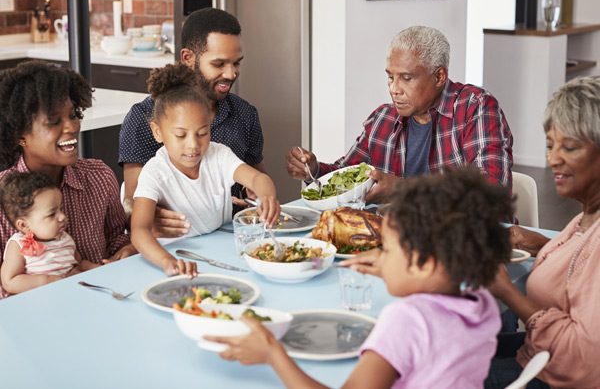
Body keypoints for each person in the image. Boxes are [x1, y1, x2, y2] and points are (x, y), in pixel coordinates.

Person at [206, 166, 514, 388]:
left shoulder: (407, 320)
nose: (380, 255)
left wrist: (273, 355)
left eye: (388, 250)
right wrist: (395, 268)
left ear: (423, 264)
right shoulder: (481, 303)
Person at [286, 25, 513, 204]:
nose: (394, 88)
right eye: (390, 76)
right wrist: (313, 170)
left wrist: (403, 190)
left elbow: (491, 192)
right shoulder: (382, 120)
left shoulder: (475, 108)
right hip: (400, 243)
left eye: (406, 78)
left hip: (469, 244)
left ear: (439, 76)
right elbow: (346, 175)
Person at [485, 76, 600, 388]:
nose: (552, 159)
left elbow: (583, 358)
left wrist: (506, 290)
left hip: (552, 376)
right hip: (536, 352)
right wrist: (549, 245)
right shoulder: (587, 218)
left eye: (570, 147)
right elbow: (586, 269)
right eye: (550, 145)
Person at [119, 7, 265, 238]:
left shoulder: (245, 114)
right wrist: (142, 218)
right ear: (188, 58)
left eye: (236, 63)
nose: (231, 74)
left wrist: (255, 200)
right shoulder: (144, 117)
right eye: (219, 64)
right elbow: (131, 199)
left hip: (230, 237)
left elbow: (257, 180)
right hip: (175, 242)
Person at [130, 63, 280, 277]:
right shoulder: (155, 172)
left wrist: (267, 196)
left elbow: (257, 178)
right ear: (158, 132)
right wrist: (167, 262)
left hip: (222, 250)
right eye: (181, 135)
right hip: (178, 257)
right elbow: (139, 230)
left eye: (202, 133)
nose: (193, 145)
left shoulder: (218, 155)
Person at [0, 60, 134, 300]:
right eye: (54, 121)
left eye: (73, 115)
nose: (71, 126)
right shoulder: (1, 197)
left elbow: (116, 237)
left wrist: (125, 251)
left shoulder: (99, 177)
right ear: (20, 133)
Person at [0, 172, 99, 294]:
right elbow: (9, 282)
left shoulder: (65, 238)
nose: (62, 216)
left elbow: (76, 263)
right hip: (40, 301)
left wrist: (91, 268)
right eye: (52, 214)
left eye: (61, 209)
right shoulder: (19, 245)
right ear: (24, 225)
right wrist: (46, 280)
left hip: (70, 295)